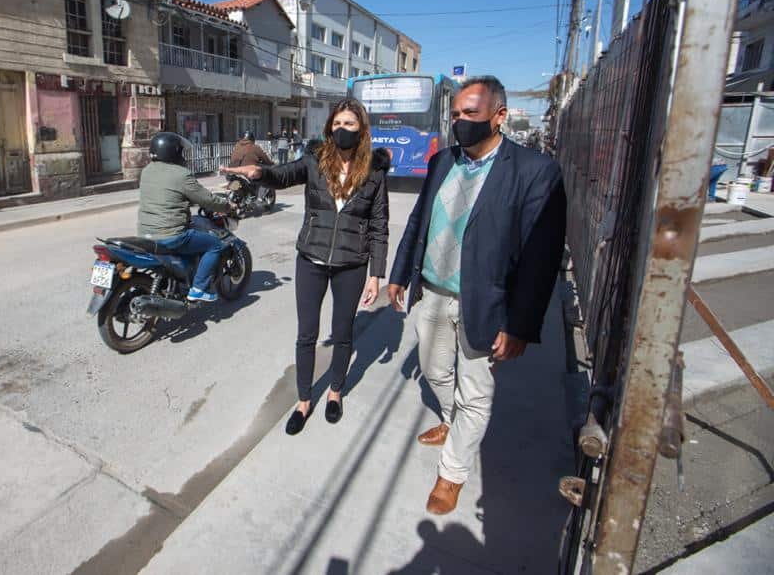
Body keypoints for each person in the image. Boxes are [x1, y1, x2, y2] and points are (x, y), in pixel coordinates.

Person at [386, 76, 566, 515]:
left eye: (471, 114)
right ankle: (450, 421)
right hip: (432, 292)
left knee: (475, 392)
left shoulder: (534, 172)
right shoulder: (442, 161)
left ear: (499, 116)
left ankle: (452, 474)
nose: (460, 122)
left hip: (485, 304)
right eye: (456, 114)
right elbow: (418, 221)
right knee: (432, 370)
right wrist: (399, 273)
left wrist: (521, 323)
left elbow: (542, 257)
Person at [223, 99, 390, 435]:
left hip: (351, 264)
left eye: (349, 125)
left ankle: (335, 392)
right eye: (337, 124)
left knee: (343, 334)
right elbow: (284, 175)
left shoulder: (373, 170)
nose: (341, 130)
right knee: (307, 334)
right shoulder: (315, 158)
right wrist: (260, 174)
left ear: (362, 131)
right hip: (310, 259)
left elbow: (378, 223)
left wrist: (376, 273)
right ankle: (303, 400)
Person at [138, 132, 234, 302]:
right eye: (181, 151)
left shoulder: (147, 171)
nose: (183, 155)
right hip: (171, 235)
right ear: (173, 152)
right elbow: (205, 198)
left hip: (145, 234)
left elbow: (167, 195)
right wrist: (227, 206)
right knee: (215, 245)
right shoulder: (181, 174)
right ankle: (198, 289)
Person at [229, 131, 275, 206]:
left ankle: (247, 197)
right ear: (252, 139)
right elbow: (265, 158)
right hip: (246, 173)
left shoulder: (237, 146)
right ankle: (260, 198)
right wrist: (271, 164)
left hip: (231, 172)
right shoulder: (255, 147)